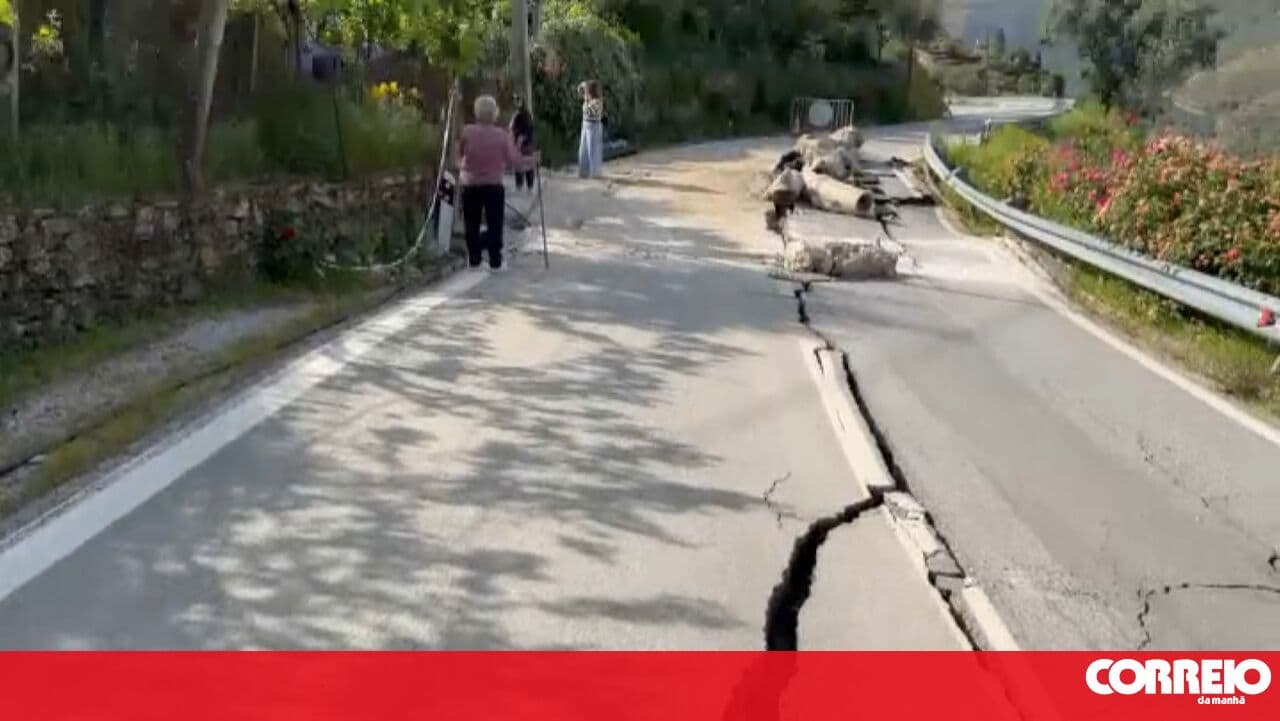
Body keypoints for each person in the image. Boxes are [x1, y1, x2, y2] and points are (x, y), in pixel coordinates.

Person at [456, 95, 536, 271]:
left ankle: (474, 260)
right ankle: (495, 261)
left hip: (470, 183)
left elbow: (458, 155)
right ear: (495, 114)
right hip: (493, 185)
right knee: (494, 223)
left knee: (471, 223)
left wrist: (461, 167)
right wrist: (532, 160)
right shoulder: (501, 135)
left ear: (476, 112)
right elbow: (515, 160)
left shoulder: (467, 132)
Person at [577, 80, 605, 179]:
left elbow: (588, 110)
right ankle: (584, 172)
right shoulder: (589, 99)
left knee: (593, 150)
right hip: (586, 124)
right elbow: (578, 90)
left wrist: (585, 98)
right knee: (583, 149)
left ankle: (595, 172)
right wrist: (583, 86)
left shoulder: (597, 101)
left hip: (594, 126)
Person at [509, 95, 537, 192]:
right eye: (514, 101)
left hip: (524, 143)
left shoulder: (524, 114)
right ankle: (521, 185)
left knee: (525, 164)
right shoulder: (519, 113)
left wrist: (520, 141)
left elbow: (527, 129)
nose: (515, 103)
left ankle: (527, 186)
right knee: (520, 165)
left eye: (518, 101)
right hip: (522, 141)